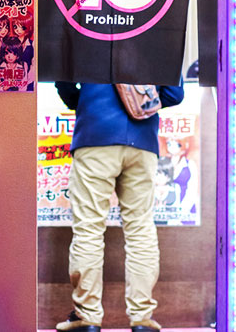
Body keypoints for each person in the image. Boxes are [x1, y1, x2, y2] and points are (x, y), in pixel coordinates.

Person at [54, 81, 184, 332]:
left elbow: (64, 79)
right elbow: (174, 93)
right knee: (141, 231)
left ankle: (87, 316)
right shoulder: (154, 50)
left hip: (95, 134)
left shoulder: (89, 48)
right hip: (142, 139)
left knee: (89, 230)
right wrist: (142, 103)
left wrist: (86, 100)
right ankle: (142, 318)